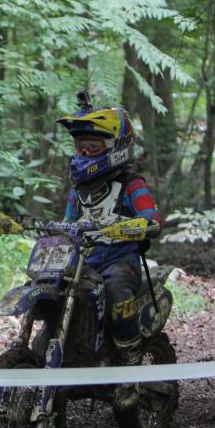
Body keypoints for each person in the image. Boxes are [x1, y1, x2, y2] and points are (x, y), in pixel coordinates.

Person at [56, 104, 163, 407]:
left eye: (94, 147)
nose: (85, 153)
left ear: (116, 148)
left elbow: (152, 217)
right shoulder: (79, 192)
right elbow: (68, 225)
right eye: (81, 146)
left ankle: (129, 361)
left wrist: (139, 225)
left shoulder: (131, 184)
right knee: (57, 287)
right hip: (86, 263)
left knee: (115, 288)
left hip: (121, 261)